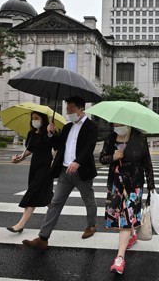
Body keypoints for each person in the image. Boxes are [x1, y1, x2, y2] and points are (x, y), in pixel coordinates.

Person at [22, 96, 98, 249]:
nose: (68, 112)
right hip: (64, 171)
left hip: (81, 171)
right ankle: (43, 237)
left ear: (81, 108)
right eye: (67, 109)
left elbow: (89, 147)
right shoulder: (67, 127)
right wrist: (50, 134)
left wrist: (78, 162)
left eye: (71, 109)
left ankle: (91, 225)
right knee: (55, 203)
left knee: (88, 200)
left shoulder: (91, 126)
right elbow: (58, 145)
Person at [99, 123, 155, 275]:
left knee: (124, 218)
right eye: (115, 124)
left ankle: (120, 258)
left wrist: (151, 185)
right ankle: (132, 234)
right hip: (116, 184)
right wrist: (113, 156)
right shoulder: (111, 138)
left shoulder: (139, 137)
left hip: (134, 185)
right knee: (120, 216)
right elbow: (102, 158)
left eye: (120, 123)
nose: (117, 126)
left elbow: (147, 162)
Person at [8, 111, 54, 233]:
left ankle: (20, 224)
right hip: (34, 167)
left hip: (46, 167)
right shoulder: (31, 133)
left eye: (37, 118)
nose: (34, 121)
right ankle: (55, 210)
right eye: (33, 118)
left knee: (33, 193)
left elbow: (56, 148)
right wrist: (19, 158)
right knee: (46, 195)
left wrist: (51, 134)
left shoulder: (49, 133)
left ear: (43, 119)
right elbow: (29, 150)